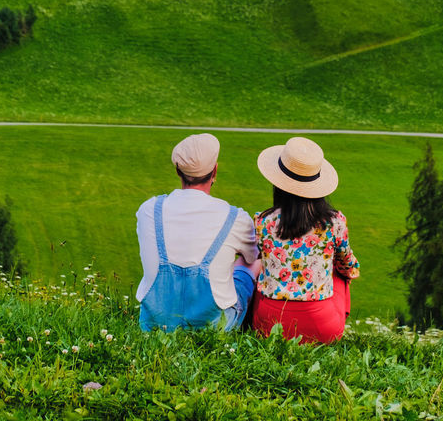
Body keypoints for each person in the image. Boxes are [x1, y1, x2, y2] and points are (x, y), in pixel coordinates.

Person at [136, 132, 260, 332]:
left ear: (178, 171)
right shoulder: (235, 217)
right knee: (252, 262)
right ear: (215, 171)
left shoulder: (149, 210)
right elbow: (252, 256)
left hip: (156, 326)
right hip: (213, 328)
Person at [252, 136, 360, 343]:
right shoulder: (335, 222)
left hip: (269, 325)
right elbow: (349, 268)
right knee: (341, 272)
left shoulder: (262, 221)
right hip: (321, 326)